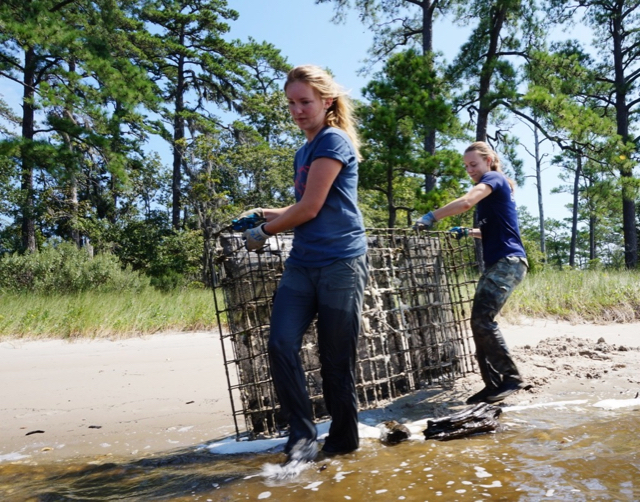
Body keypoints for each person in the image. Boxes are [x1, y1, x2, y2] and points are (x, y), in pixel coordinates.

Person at [234, 65, 369, 463]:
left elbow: (310, 208)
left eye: (305, 102)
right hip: (304, 263)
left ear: (327, 102)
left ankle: (343, 443)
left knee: (335, 360)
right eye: (291, 103)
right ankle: (303, 436)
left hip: (341, 262)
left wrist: (264, 232)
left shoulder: (333, 140)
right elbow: (306, 204)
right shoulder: (303, 151)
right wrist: (263, 213)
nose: (297, 110)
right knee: (280, 344)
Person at [415, 141, 529, 405]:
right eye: (466, 166)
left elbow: (466, 202)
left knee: (482, 319)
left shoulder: (494, 178)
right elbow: (490, 231)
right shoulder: (493, 192)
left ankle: (511, 378)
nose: (470, 170)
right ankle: (492, 385)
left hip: (508, 262)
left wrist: (432, 216)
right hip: (501, 263)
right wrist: (468, 232)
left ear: (488, 160)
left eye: (473, 164)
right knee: (478, 322)